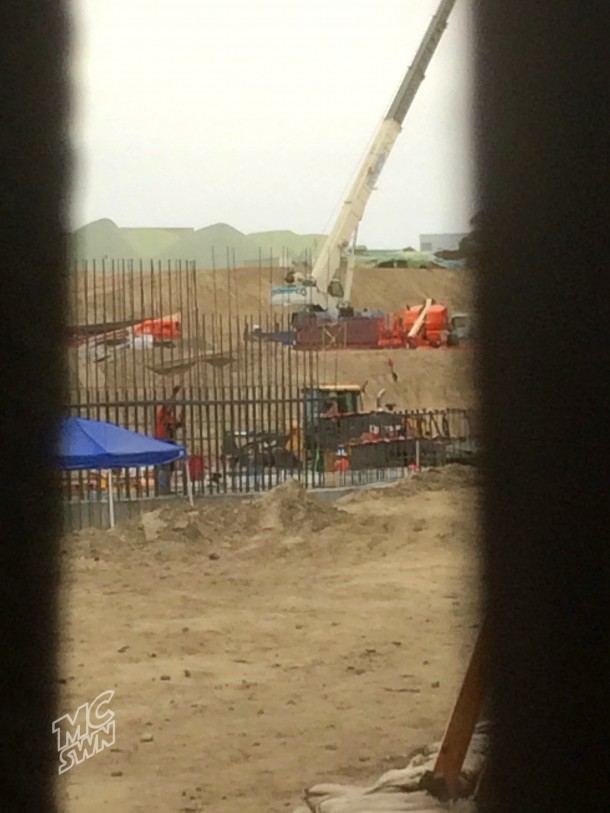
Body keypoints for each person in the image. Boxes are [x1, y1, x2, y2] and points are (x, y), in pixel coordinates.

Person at [155, 386, 184, 494]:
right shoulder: (162, 414)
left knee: (171, 466)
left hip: (170, 442)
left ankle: (166, 488)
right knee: (163, 467)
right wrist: (174, 394)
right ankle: (162, 488)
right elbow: (168, 405)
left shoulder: (170, 417)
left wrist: (181, 421)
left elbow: (175, 426)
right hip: (162, 441)